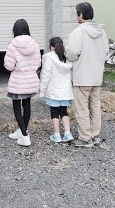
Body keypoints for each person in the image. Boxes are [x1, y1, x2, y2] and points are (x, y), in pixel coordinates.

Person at [65, 2, 109, 148]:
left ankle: (85, 137)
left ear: (81, 15)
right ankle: (95, 135)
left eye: (77, 13)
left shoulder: (79, 32)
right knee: (95, 106)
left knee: (82, 107)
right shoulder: (102, 32)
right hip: (96, 76)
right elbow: (106, 54)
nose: (76, 17)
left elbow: (71, 53)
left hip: (83, 76)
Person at [4, 19, 41, 147]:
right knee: (27, 106)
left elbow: (9, 66)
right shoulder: (34, 44)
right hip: (31, 80)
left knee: (16, 107)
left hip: (18, 81)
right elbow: (38, 64)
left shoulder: (13, 45)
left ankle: (25, 136)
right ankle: (21, 130)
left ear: (15, 30)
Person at [39, 37, 74, 143]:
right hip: (65, 91)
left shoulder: (48, 58)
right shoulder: (67, 58)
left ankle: (57, 135)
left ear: (51, 47)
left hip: (53, 91)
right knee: (64, 111)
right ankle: (67, 133)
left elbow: (45, 76)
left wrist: (42, 91)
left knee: (54, 112)